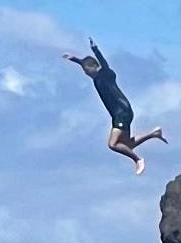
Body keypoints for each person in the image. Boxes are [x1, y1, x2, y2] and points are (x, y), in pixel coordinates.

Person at [62, 38, 166, 175]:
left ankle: (138, 159)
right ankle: (154, 133)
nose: (86, 73)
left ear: (94, 67)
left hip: (121, 112)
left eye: (87, 70)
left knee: (112, 144)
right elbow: (85, 63)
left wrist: (95, 49)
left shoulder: (105, 74)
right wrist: (74, 59)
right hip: (120, 113)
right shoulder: (95, 77)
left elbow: (103, 63)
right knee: (126, 145)